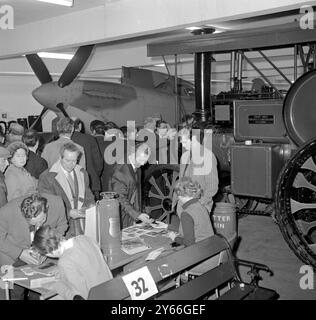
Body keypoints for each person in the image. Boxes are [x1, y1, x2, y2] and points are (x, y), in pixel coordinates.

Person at [32, 225, 113, 300]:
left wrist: (56, 285)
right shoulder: (84, 238)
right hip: (110, 291)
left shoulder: (65, 262)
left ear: (49, 252)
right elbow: (87, 266)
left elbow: (79, 296)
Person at [38, 142, 95, 237]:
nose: (71, 164)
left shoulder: (82, 173)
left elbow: (87, 193)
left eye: (74, 161)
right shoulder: (47, 177)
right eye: (67, 160)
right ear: (60, 158)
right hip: (61, 228)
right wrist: (68, 212)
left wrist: (90, 205)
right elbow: (47, 205)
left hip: (82, 225)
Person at [0, 192, 68, 266]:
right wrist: (19, 253)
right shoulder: (6, 212)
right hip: (12, 252)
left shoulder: (57, 203)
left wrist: (46, 248)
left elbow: (62, 225)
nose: (38, 225)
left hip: (43, 252)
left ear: (47, 207)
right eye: (33, 223)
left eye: (42, 220)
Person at [169, 177, 216, 275]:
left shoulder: (186, 213)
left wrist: (175, 238)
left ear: (180, 194)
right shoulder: (201, 206)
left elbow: (189, 244)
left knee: (168, 260)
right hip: (212, 253)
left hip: (200, 259)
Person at [174, 126, 218, 214]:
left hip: (200, 205)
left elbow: (212, 186)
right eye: (181, 143)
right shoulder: (185, 156)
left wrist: (202, 203)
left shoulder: (207, 156)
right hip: (183, 205)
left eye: (185, 142)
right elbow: (181, 179)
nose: (183, 145)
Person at [110, 142, 153, 228]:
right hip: (120, 214)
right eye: (141, 160)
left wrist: (139, 213)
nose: (143, 164)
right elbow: (119, 197)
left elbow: (137, 193)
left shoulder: (138, 168)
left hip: (130, 214)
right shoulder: (120, 171)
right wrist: (136, 214)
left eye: (145, 161)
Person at [71, 118, 103, 200]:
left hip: (71, 184)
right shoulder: (90, 139)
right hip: (91, 182)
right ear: (80, 126)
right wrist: (95, 175)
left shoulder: (66, 140)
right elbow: (98, 163)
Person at [90, 120, 115, 192]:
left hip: (95, 181)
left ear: (93, 131)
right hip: (111, 179)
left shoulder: (90, 141)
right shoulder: (113, 142)